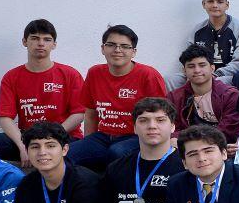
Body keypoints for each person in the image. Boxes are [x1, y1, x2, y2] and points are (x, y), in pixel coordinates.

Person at [70, 26, 170, 171]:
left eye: (124, 46)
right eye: (111, 45)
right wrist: (87, 144)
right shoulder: (94, 73)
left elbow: (161, 116)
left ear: (133, 52)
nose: (117, 50)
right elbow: (91, 114)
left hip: (136, 137)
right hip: (103, 136)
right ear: (103, 48)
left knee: (116, 152)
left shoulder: (148, 75)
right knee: (66, 153)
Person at [0, 19, 86, 160]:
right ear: (24, 41)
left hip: (64, 136)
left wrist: (52, 137)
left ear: (54, 44)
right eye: (35, 38)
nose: (41, 43)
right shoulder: (11, 77)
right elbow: (5, 117)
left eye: (47, 39)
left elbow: (79, 113)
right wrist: (22, 145)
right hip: (27, 137)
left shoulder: (70, 74)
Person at [170, 44, 239, 141]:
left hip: (219, 146)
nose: (197, 70)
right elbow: (171, 129)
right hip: (185, 147)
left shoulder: (231, 95)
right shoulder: (174, 97)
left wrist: (190, 140)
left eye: (202, 65)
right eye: (191, 66)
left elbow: (228, 131)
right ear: (184, 71)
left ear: (212, 68)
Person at [186, 0, 239, 84]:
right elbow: (188, 57)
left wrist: (216, 74)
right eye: (210, 1)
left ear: (227, 5)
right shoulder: (197, 30)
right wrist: (191, 72)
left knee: (217, 82)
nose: (215, 5)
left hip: (227, 75)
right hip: (199, 73)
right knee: (171, 80)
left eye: (220, 2)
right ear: (204, 4)